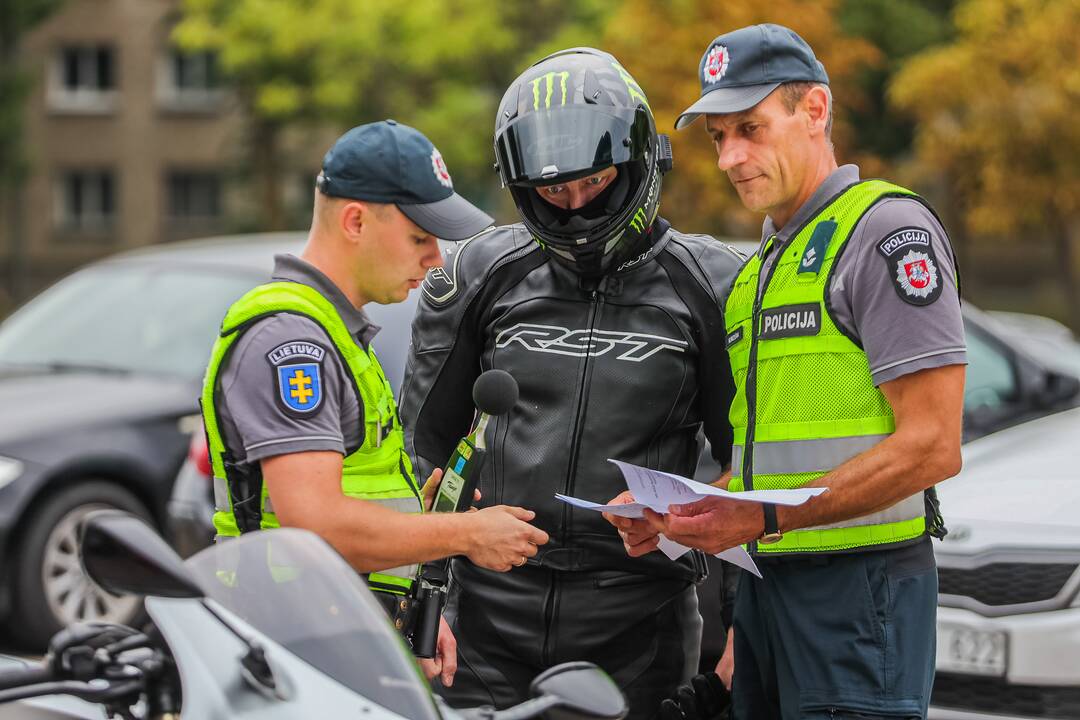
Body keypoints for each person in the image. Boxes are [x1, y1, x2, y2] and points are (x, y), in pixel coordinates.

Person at [609, 24, 966, 719]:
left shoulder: (884, 234)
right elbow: (771, 463)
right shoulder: (758, 272)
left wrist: (759, 514)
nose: (731, 158)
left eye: (751, 128)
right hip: (771, 591)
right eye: (718, 137)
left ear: (816, 111)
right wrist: (683, 513)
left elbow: (933, 444)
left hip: (861, 595)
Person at [399, 49, 744, 719]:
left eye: (597, 182)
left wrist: (743, 625)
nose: (578, 207)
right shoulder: (484, 271)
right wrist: (421, 595)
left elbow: (750, 467)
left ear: (640, 161)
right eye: (555, 193)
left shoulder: (715, 284)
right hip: (484, 617)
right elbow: (423, 446)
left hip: (638, 622)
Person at [200, 120, 549, 686]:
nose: (436, 259)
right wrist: (466, 534)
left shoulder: (338, 334)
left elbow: (352, 498)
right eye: (419, 237)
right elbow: (314, 525)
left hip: (332, 637)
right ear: (356, 220)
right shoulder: (293, 342)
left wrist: (412, 571)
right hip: (285, 647)